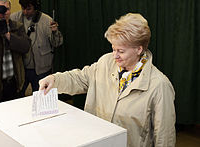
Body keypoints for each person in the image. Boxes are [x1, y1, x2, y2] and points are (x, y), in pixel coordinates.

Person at [39, 13, 176, 146]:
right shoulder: (106, 61)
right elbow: (80, 78)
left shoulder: (159, 85)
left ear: (139, 49)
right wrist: (55, 79)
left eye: (121, 51)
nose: (115, 56)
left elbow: (164, 137)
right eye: (113, 48)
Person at [0, 0, 30, 106]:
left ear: (10, 10)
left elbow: (25, 47)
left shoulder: (17, 26)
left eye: (6, 9)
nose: (3, 12)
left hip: (15, 83)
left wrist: (7, 33)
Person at [10, 0, 63, 96]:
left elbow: (56, 43)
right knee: (17, 97)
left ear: (36, 7)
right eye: (23, 8)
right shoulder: (14, 18)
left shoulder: (47, 20)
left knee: (42, 99)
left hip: (42, 70)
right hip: (21, 69)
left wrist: (55, 32)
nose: (25, 12)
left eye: (29, 9)